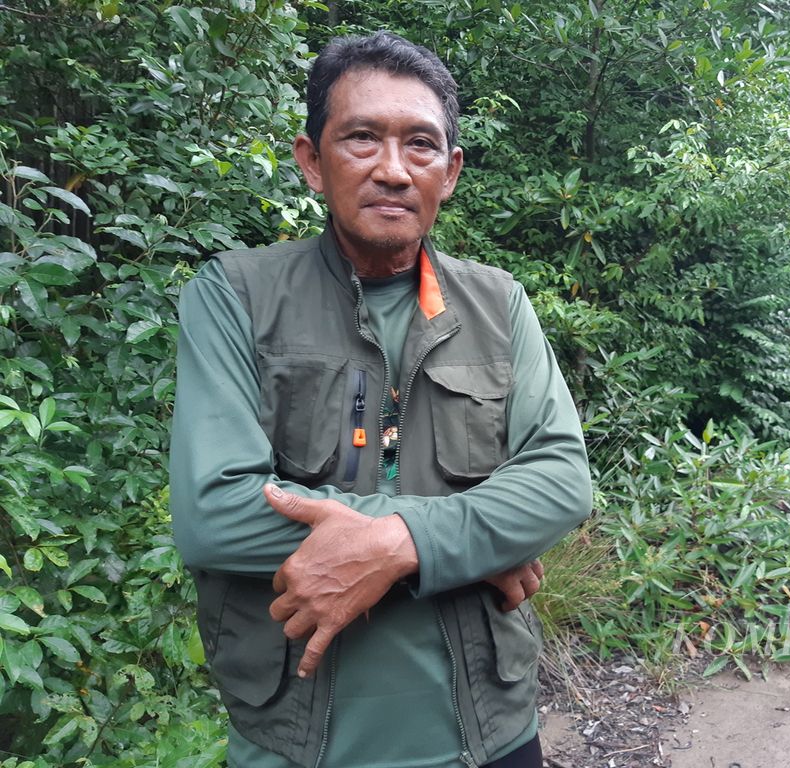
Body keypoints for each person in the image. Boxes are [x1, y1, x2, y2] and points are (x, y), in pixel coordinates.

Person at [169, 31, 592, 768]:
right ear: (311, 160)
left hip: (491, 731)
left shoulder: (497, 302)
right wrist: (470, 543)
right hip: (296, 741)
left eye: (421, 145)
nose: (393, 170)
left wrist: (405, 544)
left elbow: (560, 481)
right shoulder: (235, 296)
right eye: (362, 137)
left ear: (450, 171)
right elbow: (214, 513)